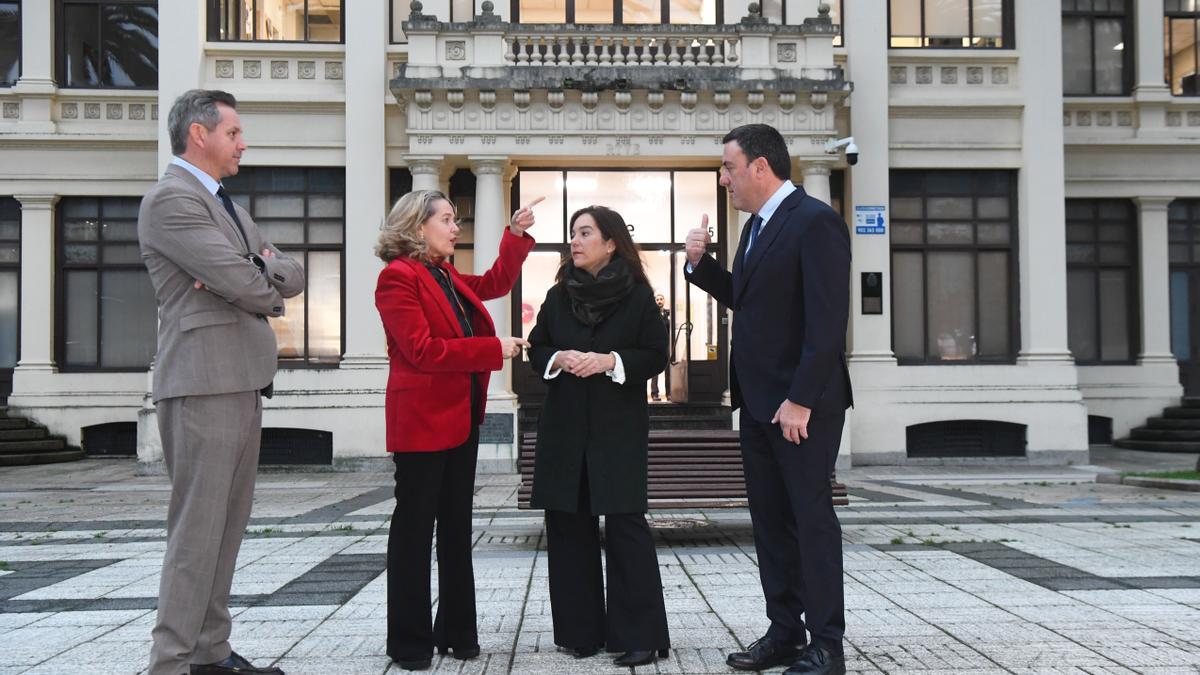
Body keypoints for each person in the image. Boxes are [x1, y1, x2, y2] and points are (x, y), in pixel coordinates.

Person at [140, 89, 304, 675]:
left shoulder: (225, 204)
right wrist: (254, 271)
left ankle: (210, 653)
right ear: (199, 135)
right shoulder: (171, 201)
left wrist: (252, 268)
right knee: (195, 533)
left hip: (241, 380)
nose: (243, 142)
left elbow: (290, 273)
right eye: (233, 132)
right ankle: (171, 662)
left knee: (226, 530)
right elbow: (259, 285)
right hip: (202, 381)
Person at [684, 124, 853, 675]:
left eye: (729, 167)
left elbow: (827, 324)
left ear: (761, 167)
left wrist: (801, 399)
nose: (724, 178)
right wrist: (700, 266)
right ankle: (785, 634)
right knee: (770, 524)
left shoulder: (816, 222)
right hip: (758, 405)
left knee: (810, 521)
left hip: (802, 407)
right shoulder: (755, 228)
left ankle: (827, 644)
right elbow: (752, 302)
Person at [374, 189, 539, 670]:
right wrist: (493, 349)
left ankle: (456, 632)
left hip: (461, 417)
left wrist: (515, 234)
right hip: (423, 423)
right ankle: (409, 643)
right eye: (447, 219)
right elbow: (422, 350)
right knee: (414, 531)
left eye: (455, 219)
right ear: (416, 226)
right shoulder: (397, 278)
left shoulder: (444, 275)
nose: (456, 227)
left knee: (454, 528)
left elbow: (495, 282)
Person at [527, 205, 672, 667]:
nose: (575, 240)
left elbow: (655, 355)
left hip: (617, 428)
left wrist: (612, 361)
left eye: (585, 232)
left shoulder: (639, 297)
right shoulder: (556, 297)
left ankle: (641, 636)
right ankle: (580, 632)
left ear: (610, 242)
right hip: (565, 426)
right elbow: (537, 349)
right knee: (568, 526)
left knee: (626, 526)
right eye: (573, 233)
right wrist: (558, 358)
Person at [649, 293, 671, 401]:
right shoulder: (652, 313)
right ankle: (654, 394)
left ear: (664, 300)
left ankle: (669, 393)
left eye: (661, 299)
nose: (659, 301)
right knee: (655, 370)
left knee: (669, 370)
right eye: (657, 299)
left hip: (667, 345)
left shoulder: (669, 313)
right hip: (656, 345)